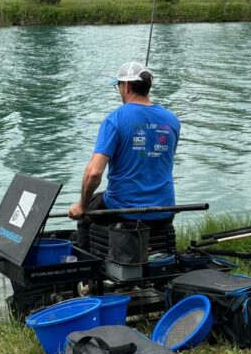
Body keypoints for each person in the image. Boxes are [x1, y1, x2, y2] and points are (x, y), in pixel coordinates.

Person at [68, 61, 181, 251]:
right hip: (165, 209)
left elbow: (94, 173)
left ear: (126, 86)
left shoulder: (115, 119)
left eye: (118, 86)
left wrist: (82, 204)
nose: (119, 90)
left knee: (86, 217)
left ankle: (88, 276)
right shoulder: (172, 120)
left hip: (124, 210)